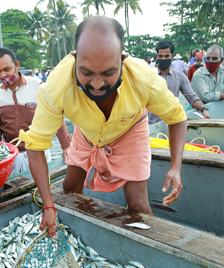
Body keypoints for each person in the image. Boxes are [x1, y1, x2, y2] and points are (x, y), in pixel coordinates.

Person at [19, 16, 186, 238]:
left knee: (138, 205)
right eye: (86, 72)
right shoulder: (56, 88)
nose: (97, 85)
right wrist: (49, 206)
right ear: (75, 58)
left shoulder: (143, 79)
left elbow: (177, 117)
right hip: (86, 133)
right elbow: (35, 145)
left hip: (130, 130)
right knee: (69, 189)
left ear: (123, 59)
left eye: (108, 72)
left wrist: (175, 167)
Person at [0, 48, 71, 176]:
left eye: (7, 69)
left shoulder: (37, 86)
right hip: (11, 158)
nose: (3, 75)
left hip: (39, 154)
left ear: (17, 65)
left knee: (41, 190)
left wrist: (66, 146)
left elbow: (54, 116)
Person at [149, 41, 210, 122]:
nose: (163, 59)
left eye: (167, 56)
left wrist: (204, 109)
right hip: (151, 123)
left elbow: (192, 97)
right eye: (160, 56)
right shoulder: (148, 76)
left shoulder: (180, 77)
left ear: (172, 56)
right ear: (156, 57)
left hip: (172, 123)